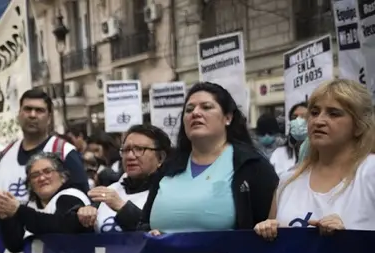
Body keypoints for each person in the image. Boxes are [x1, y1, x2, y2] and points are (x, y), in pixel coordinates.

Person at [138, 82, 278, 234]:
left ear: (228, 118)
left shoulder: (252, 166)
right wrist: (148, 234)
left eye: (206, 107)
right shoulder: (167, 168)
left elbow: (270, 227)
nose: (195, 113)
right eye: (189, 109)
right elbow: (143, 224)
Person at [254, 79, 375, 240]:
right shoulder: (288, 180)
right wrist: (265, 233)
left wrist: (349, 241)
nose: (319, 121)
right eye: (314, 112)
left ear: (359, 125)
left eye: (333, 114)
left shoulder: (370, 172)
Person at [0, 89, 90, 202]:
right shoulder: (5, 154)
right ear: (19, 114)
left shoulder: (64, 152)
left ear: (49, 118)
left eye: (39, 110)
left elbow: (81, 199)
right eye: (28, 109)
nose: (32, 115)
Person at [77, 124, 171, 233]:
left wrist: (123, 208)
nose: (130, 156)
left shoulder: (168, 193)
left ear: (160, 158)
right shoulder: (112, 190)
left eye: (139, 149)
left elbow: (154, 231)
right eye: (126, 150)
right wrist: (84, 213)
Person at [270, 102, 308, 174]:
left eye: (304, 117)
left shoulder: (324, 155)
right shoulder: (278, 154)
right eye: (294, 117)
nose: (298, 121)